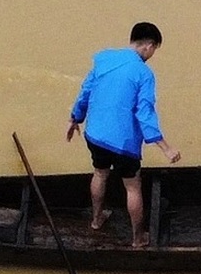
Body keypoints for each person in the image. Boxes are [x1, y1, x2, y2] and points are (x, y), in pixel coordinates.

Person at [66, 21, 181, 247]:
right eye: (154, 49)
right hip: (123, 143)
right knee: (132, 186)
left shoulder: (104, 59)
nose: (152, 54)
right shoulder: (144, 74)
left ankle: (97, 220)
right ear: (148, 45)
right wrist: (166, 148)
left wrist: (74, 118)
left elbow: (86, 90)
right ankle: (138, 238)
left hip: (95, 135)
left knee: (99, 174)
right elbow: (145, 112)